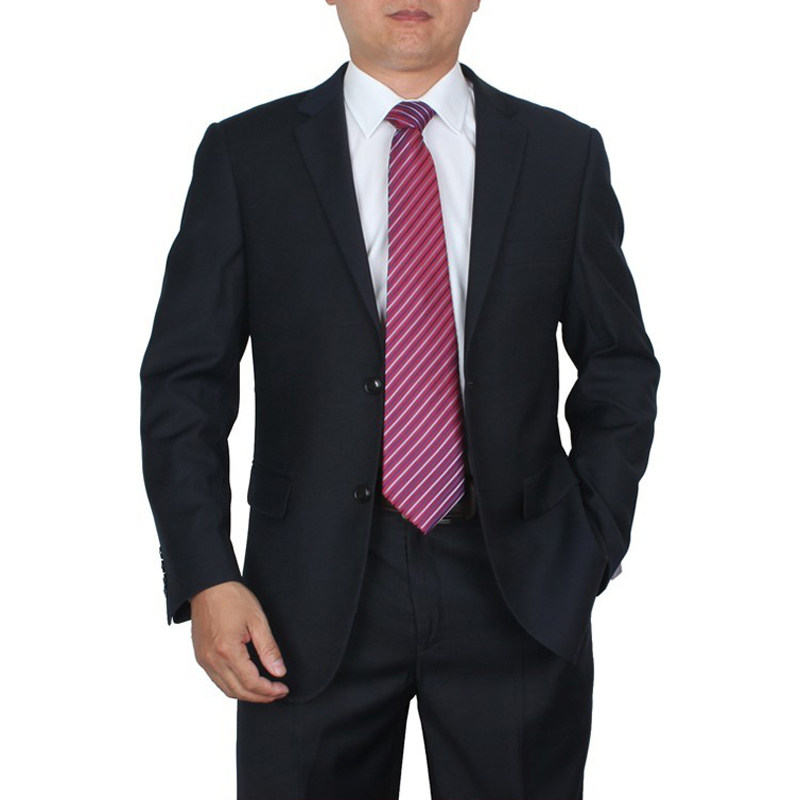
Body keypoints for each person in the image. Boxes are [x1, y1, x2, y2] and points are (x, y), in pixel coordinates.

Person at [139, 1, 660, 797]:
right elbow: (186, 382)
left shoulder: (562, 154)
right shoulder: (247, 156)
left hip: (518, 586)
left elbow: (618, 363)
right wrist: (206, 574)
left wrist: (590, 541)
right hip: (302, 597)